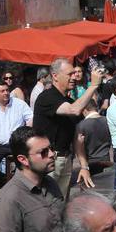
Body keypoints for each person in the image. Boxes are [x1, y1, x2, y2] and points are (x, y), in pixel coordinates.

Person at [34, 57, 103, 196]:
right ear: (55, 76)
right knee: (46, 205)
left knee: (60, 205)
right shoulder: (47, 97)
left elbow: (78, 137)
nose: (74, 77)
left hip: (66, 160)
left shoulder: (70, 101)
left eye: (74, 73)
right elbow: (73, 110)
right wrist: (93, 86)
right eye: (69, 74)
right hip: (48, 160)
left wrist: (84, 166)